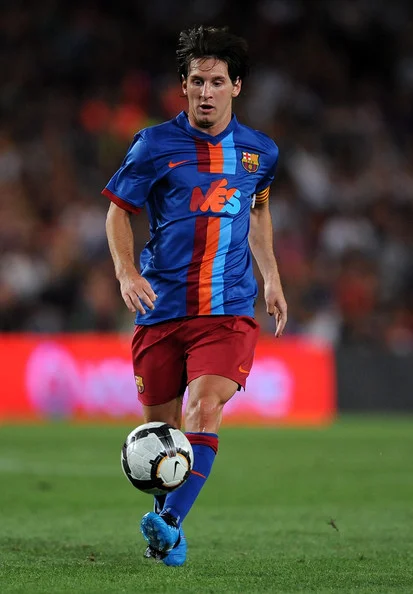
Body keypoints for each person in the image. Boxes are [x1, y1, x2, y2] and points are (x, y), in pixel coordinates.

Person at [103, 25, 287, 566]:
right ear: (183, 86)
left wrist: (272, 276)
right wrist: (125, 272)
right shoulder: (154, 144)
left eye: (217, 82)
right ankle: (167, 532)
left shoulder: (259, 153)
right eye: (197, 81)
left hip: (227, 310)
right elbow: (117, 211)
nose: (206, 92)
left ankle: (169, 524)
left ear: (237, 86)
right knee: (162, 437)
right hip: (160, 309)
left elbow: (258, 210)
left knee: (204, 408)